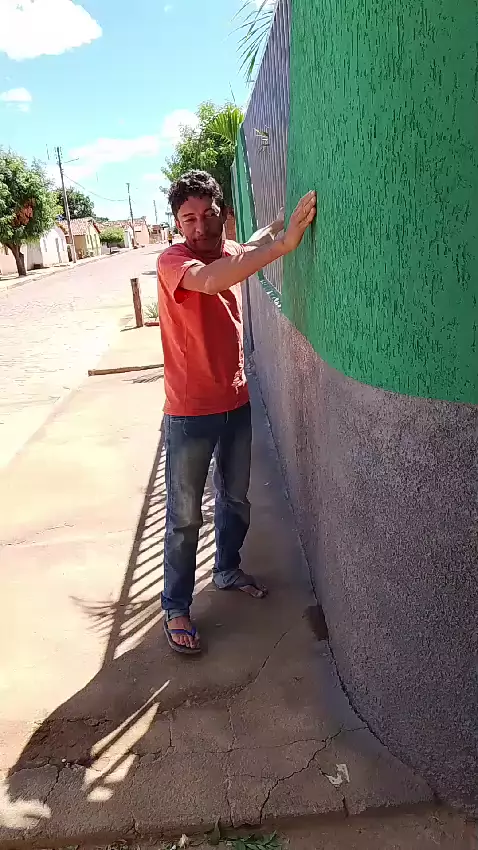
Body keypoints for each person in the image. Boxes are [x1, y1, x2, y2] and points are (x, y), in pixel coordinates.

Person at [157, 170, 316, 654]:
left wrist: (278, 225)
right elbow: (211, 280)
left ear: (222, 215)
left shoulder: (227, 250)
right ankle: (175, 606)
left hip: (236, 400)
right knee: (184, 517)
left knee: (236, 500)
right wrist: (283, 245)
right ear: (177, 223)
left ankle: (226, 569)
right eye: (188, 218)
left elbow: (245, 246)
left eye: (208, 215)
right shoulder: (174, 262)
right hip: (189, 412)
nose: (199, 226)